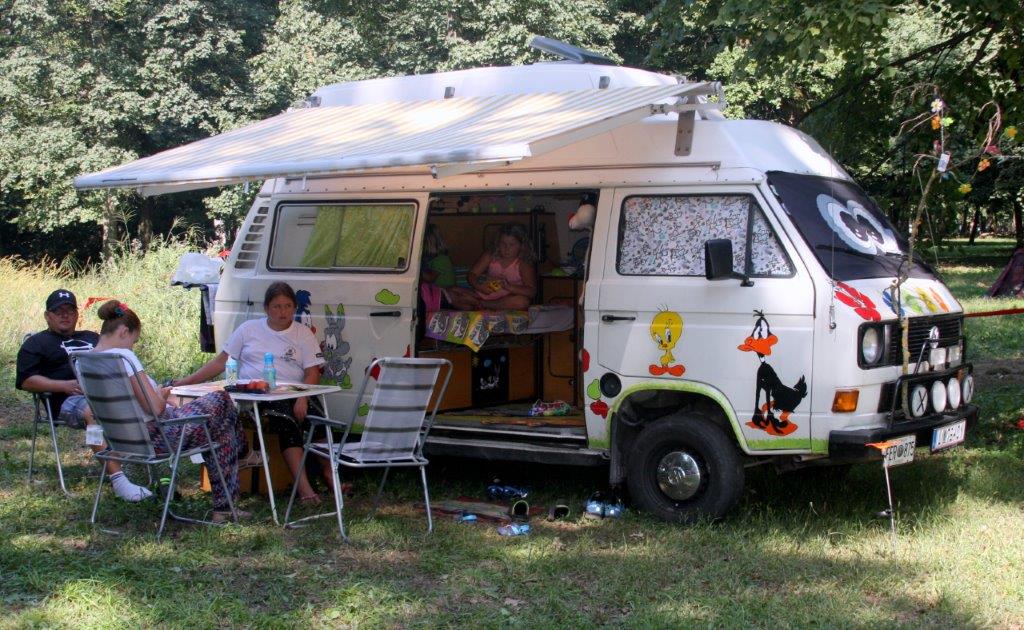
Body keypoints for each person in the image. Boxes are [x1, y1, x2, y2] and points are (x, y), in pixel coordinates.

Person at [89, 300, 251, 522]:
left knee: (221, 431)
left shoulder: (84, 360)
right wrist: (161, 394)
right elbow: (154, 408)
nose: (132, 347)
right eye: (134, 341)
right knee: (221, 399)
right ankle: (243, 454)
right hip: (159, 437)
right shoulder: (123, 357)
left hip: (120, 441)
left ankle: (224, 508)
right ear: (124, 331)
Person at [173, 282, 332, 505]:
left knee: (320, 420)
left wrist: (303, 398)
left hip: (295, 392)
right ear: (266, 308)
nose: (283, 312)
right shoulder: (248, 329)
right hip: (257, 396)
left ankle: (330, 476)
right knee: (287, 422)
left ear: (294, 308)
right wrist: (185, 382)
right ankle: (305, 490)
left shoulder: (302, 333)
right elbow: (221, 362)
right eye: (277, 306)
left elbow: (312, 373)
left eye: (288, 306)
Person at [16, 289, 151, 502]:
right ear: (47, 316)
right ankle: (118, 479)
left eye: (70, 310)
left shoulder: (92, 337)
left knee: (148, 401)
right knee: (93, 412)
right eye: (58, 311)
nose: (65, 315)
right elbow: (26, 381)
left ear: (77, 314)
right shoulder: (36, 343)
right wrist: (63, 385)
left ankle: (143, 464)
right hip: (68, 400)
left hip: (108, 391)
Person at [448, 223, 537, 310]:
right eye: (503, 243)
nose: (507, 248)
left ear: (521, 246)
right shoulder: (490, 255)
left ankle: (480, 304)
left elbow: (531, 291)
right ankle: (475, 303)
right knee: (451, 291)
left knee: (522, 302)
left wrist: (509, 287)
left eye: (512, 245)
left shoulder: (523, 264)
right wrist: (479, 286)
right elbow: (472, 274)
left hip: (507, 298)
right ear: (498, 243)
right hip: (483, 294)